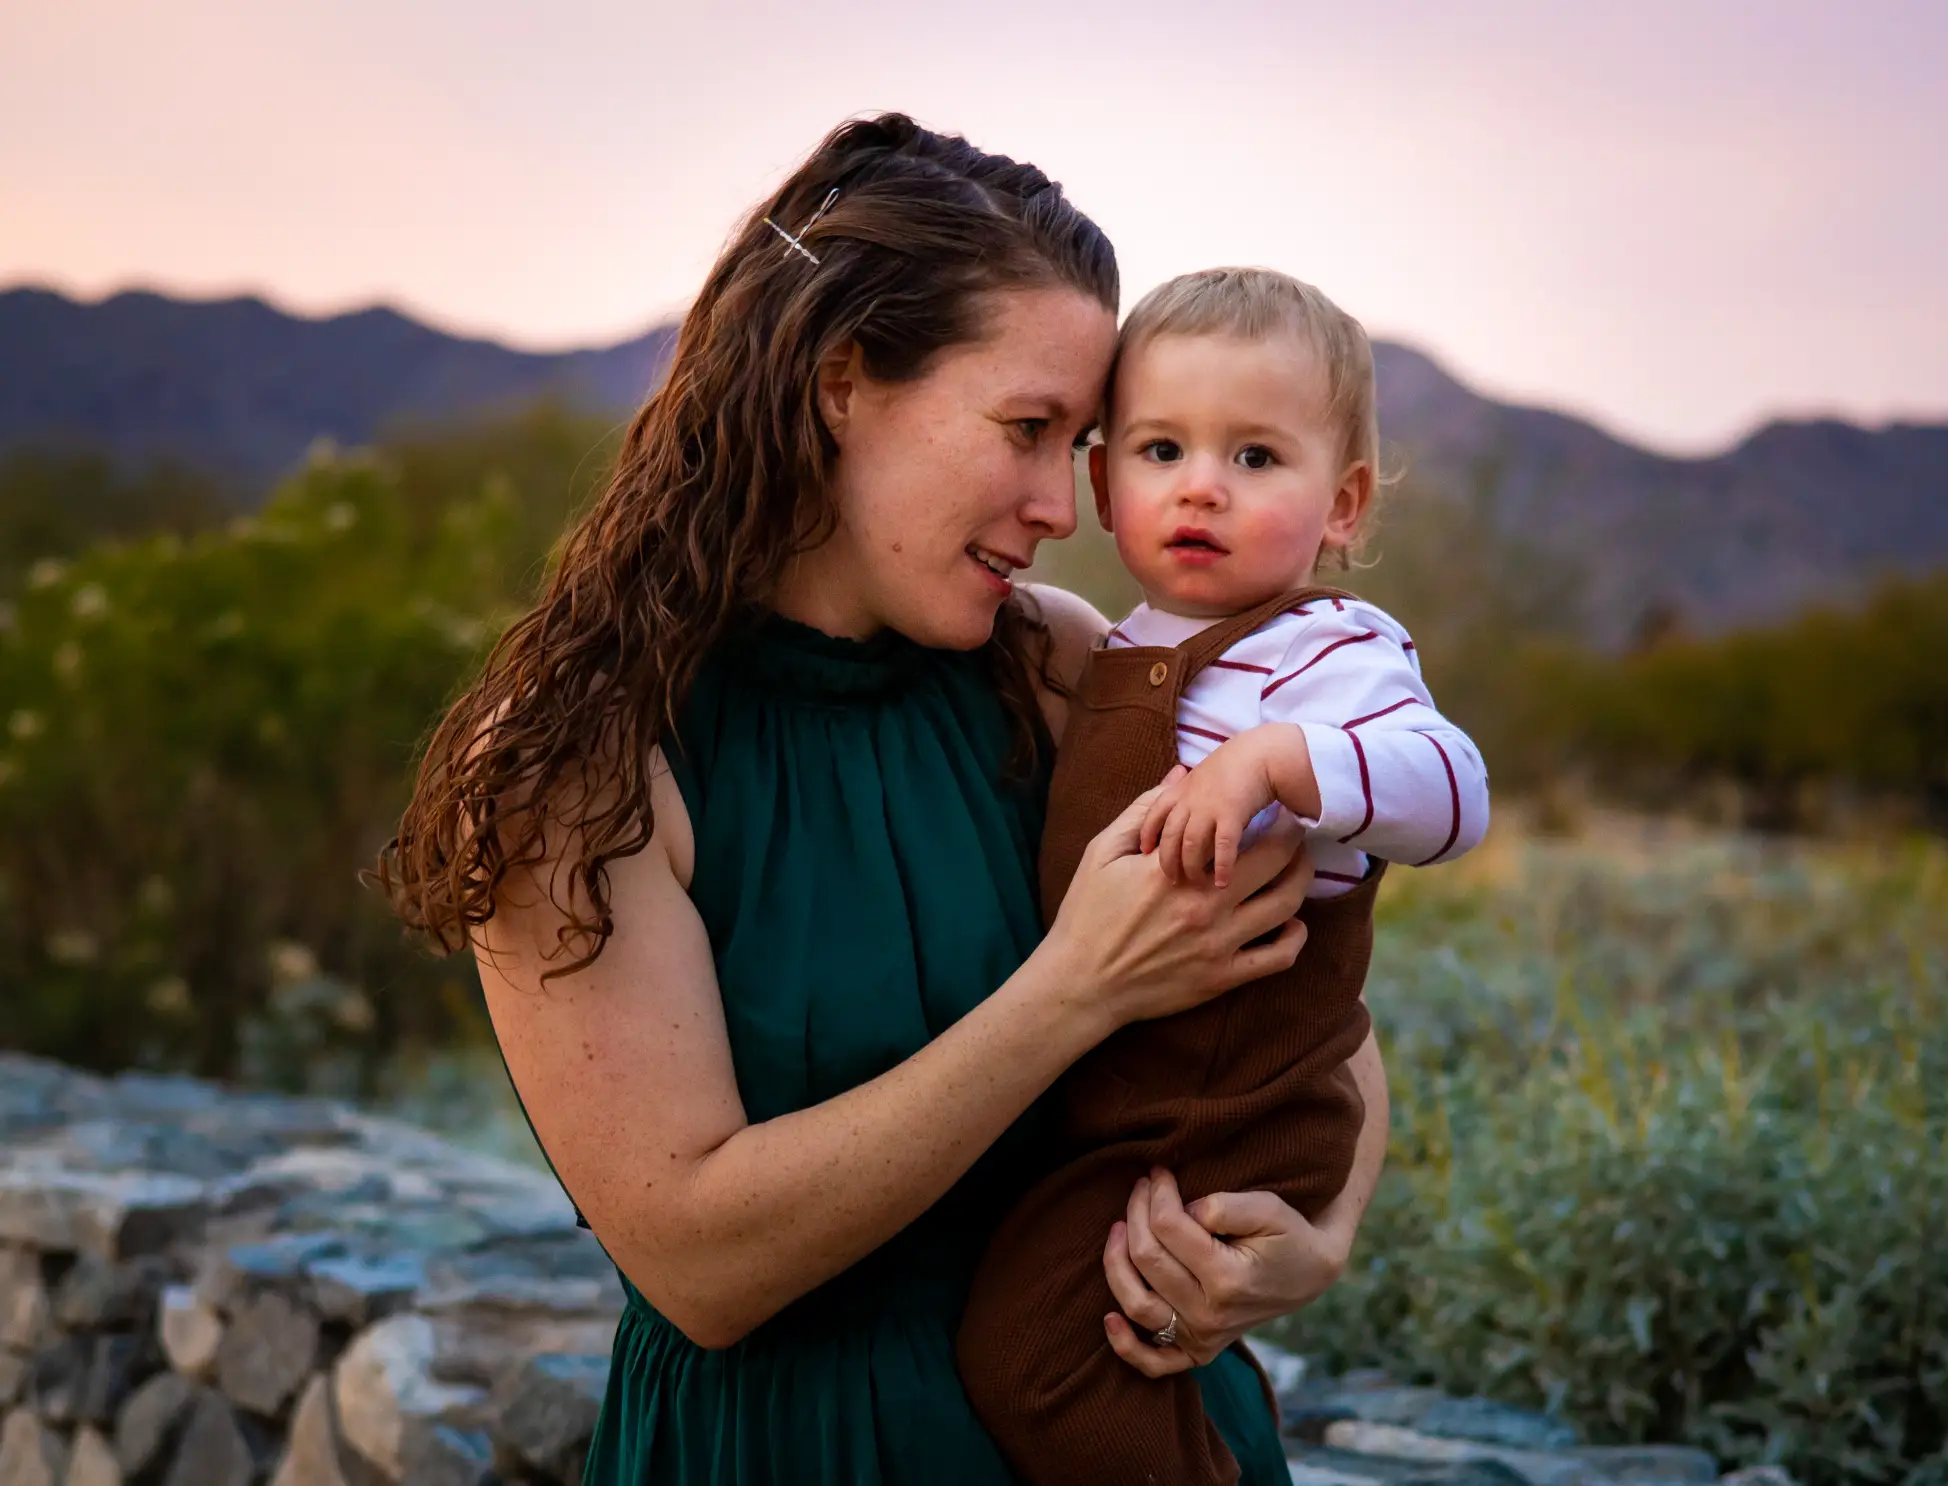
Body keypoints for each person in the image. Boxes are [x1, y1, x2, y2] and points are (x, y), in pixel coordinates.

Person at [377, 116, 1390, 1485]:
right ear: (841, 380)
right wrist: (1075, 990)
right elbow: (697, 1259)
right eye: (1028, 429)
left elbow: (1313, 995)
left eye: (1084, 440)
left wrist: (1308, 1241)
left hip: (1138, 1426)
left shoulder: (1066, 670)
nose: (1064, 503)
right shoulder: (580, 766)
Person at [959, 268, 1487, 1484]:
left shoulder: (1332, 654)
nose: (1201, 484)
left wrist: (1280, 761)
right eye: (1160, 448)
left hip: (1234, 1109)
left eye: (1256, 458)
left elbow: (1456, 791)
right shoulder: (1110, 650)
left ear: (1342, 503)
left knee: (1037, 1354)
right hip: (1126, 1103)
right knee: (1075, 1339)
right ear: (1102, 483)